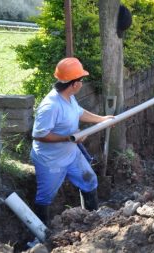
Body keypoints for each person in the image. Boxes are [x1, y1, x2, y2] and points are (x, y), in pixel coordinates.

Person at [31, 57, 113, 225]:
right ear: (74, 84)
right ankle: (40, 235)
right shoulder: (51, 106)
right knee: (45, 197)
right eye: (81, 80)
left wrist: (102, 119)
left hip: (71, 153)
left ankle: (92, 221)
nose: (82, 83)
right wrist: (70, 137)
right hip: (51, 160)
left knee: (89, 180)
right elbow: (39, 135)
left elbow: (79, 112)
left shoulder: (69, 97)